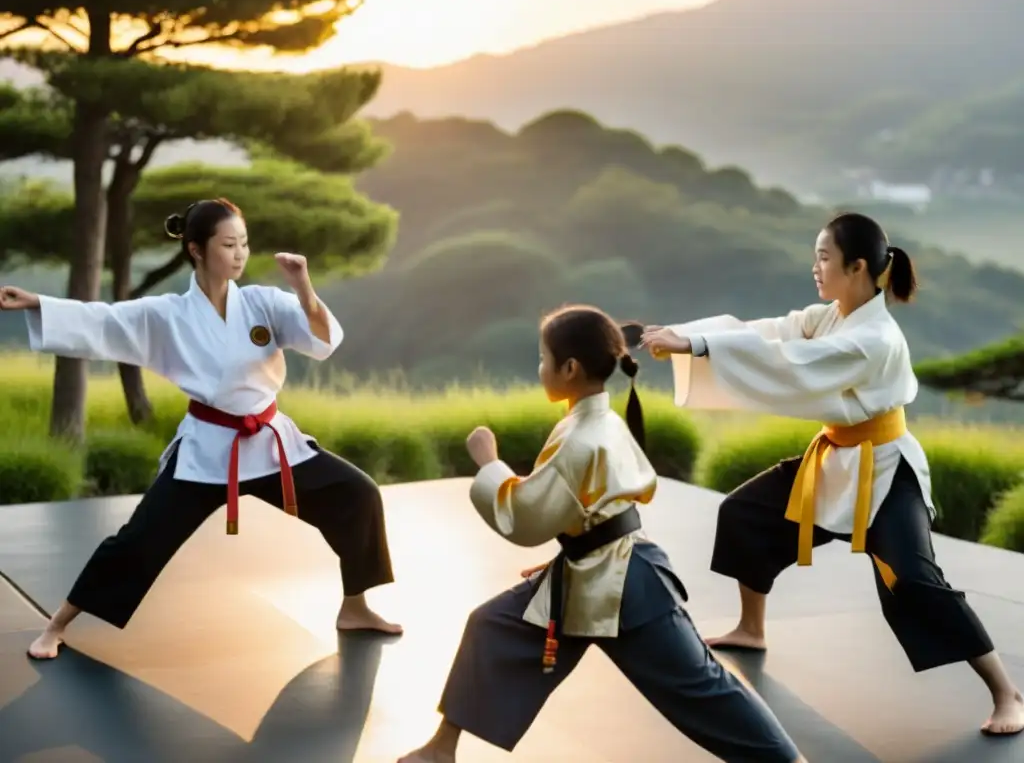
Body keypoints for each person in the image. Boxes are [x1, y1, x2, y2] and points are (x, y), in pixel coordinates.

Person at [640, 211, 1024, 736]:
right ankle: (752, 629)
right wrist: (684, 334)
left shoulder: (875, 338)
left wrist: (698, 346)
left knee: (913, 580)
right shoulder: (834, 314)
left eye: (824, 257)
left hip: (887, 468)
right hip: (837, 456)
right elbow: (772, 331)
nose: (815, 268)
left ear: (858, 266)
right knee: (744, 513)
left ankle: (1008, 692)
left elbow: (790, 363)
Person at [399, 304, 805, 763]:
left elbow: (527, 515)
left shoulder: (583, 435)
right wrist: (572, 550)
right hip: (588, 572)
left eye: (543, 358)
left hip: (627, 588)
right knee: (492, 626)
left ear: (569, 368)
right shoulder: (593, 420)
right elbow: (583, 509)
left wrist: (489, 463)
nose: (540, 368)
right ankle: (439, 751)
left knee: (703, 687)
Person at [0, 198, 402, 660]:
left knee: (358, 495)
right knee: (139, 541)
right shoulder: (169, 314)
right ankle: (56, 625)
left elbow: (322, 342)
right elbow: (105, 320)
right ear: (196, 249)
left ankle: (355, 606)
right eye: (229, 244)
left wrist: (303, 286)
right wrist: (38, 303)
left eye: (244, 244)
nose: (240, 254)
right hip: (208, 451)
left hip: (271, 443)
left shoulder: (263, 302)